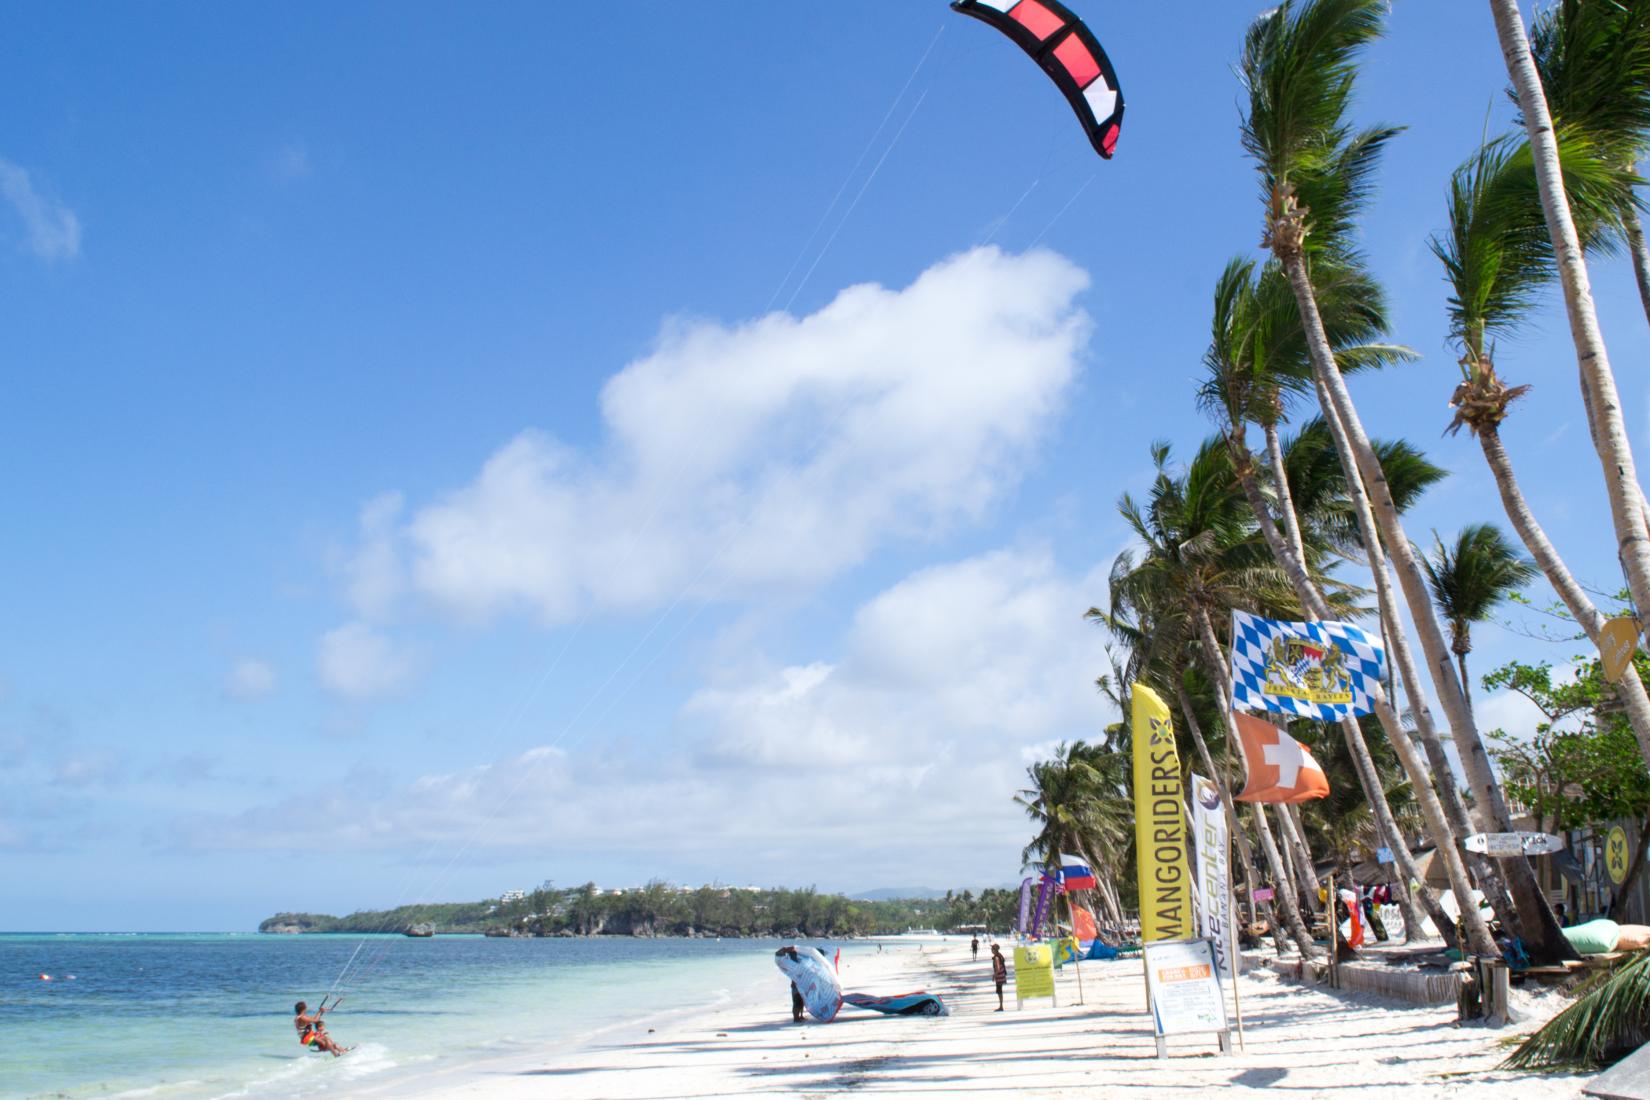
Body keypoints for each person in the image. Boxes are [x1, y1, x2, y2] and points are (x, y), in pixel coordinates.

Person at [989, 943, 1008, 1012]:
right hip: (1002, 975)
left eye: (992, 949)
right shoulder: (999, 955)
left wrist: (994, 975)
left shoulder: (996, 957)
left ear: (995, 950)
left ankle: (1001, 1006)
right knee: (1000, 990)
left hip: (999, 976)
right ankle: (1001, 1005)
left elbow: (998, 967)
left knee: (999, 991)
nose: (991, 950)